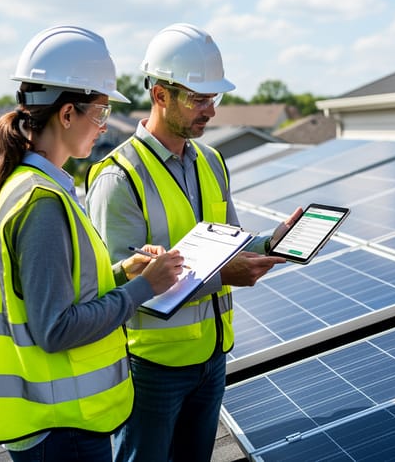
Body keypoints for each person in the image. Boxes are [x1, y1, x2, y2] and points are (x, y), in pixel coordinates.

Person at [85, 23, 302, 462]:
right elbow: (122, 288)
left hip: (213, 358)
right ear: (160, 95)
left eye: (213, 98)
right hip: (152, 370)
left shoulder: (212, 160)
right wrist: (225, 275)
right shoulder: (118, 177)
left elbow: (231, 243)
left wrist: (268, 242)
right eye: (198, 98)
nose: (211, 110)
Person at [0, 25, 185, 461]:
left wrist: (123, 273)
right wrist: (145, 288)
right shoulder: (41, 203)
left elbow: (59, 293)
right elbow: (57, 329)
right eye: (101, 113)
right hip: (59, 430)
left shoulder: (34, 188)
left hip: (58, 425)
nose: (104, 127)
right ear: (68, 114)